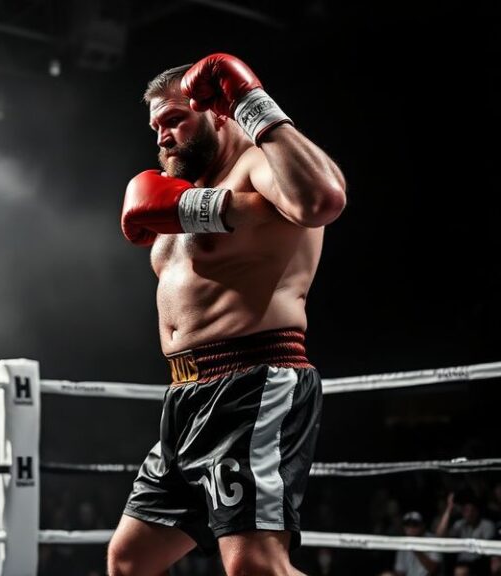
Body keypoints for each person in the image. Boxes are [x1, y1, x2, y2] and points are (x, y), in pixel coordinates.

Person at [109, 53, 346, 576]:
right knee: (130, 560)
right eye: (155, 128)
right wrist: (196, 206)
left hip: (252, 382)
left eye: (174, 119)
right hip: (186, 397)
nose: (162, 137)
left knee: (257, 567)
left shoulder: (260, 165)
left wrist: (250, 102)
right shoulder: (181, 194)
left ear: (214, 110)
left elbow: (324, 200)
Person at [394, 511, 442, 576]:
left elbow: (433, 568)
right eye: (407, 524)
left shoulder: (432, 540)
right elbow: (400, 571)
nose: (410, 528)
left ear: (422, 526)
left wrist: (416, 550)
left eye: (414, 524)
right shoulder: (403, 543)